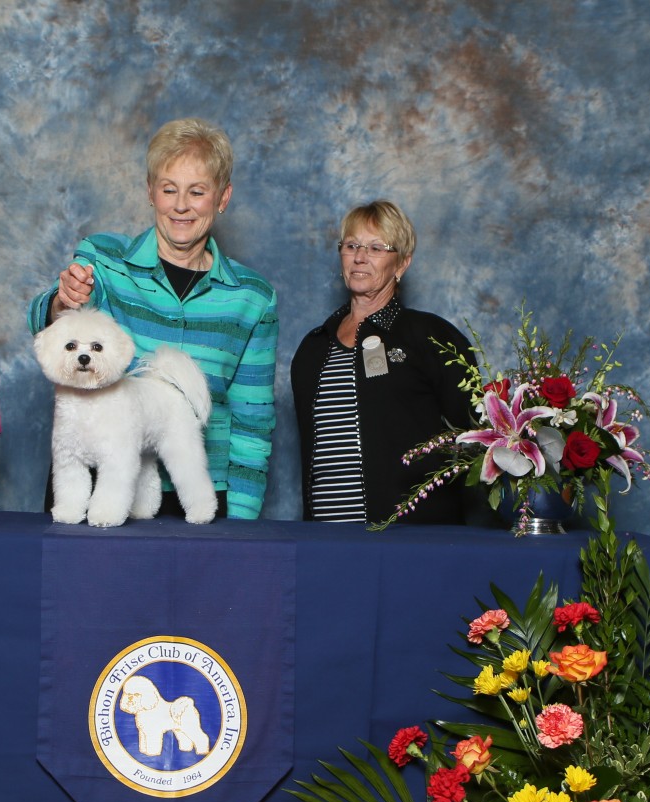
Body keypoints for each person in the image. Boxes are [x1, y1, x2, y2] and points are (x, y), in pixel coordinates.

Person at [27, 118, 278, 519]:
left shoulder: (252, 297)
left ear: (223, 197)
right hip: (96, 489)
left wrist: (243, 524)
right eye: (168, 190)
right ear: (150, 191)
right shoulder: (104, 259)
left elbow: (254, 418)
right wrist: (62, 303)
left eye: (197, 192)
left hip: (199, 495)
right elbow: (48, 320)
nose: (181, 206)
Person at [290, 200, 475, 524]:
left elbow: (476, 437)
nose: (360, 257)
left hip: (410, 538)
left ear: (401, 263)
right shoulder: (313, 348)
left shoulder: (431, 337)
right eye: (352, 245)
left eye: (376, 247)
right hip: (324, 538)